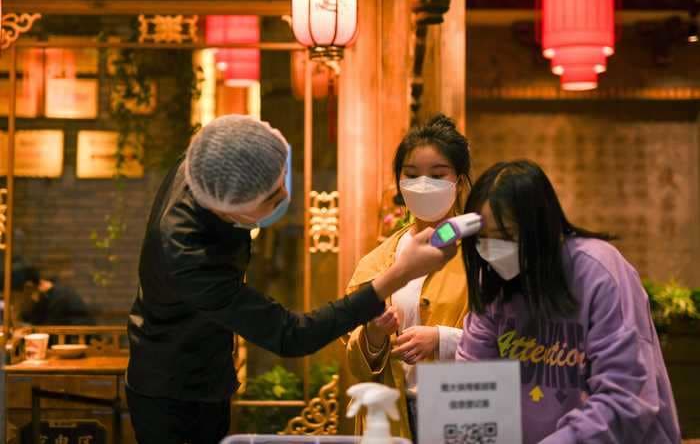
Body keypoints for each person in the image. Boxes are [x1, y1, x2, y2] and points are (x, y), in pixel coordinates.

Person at [125, 114, 456, 444]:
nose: (285, 195)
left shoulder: (209, 163)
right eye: (272, 199)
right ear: (230, 212)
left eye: (282, 178)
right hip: (173, 392)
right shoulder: (186, 254)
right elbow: (292, 335)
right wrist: (399, 274)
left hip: (212, 372)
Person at [456, 160, 681, 444]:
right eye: (482, 240)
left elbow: (625, 399)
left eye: (506, 236)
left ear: (540, 229)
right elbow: (472, 382)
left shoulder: (599, 272)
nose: (491, 251)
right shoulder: (494, 286)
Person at [346, 115, 471, 440]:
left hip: (463, 409)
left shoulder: (482, 256)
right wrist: (373, 333)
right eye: (412, 174)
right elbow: (352, 357)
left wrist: (442, 340)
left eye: (438, 174)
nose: (424, 183)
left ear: (458, 180)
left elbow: (513, 337)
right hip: (393, 417)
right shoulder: (377, 263)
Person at [0, 260, 93, 326]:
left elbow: (47, 341)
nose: (10, 304)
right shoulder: (38, 301)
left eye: (12, 298)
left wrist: (17, 321)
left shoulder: (61, 299)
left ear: (28, 288)